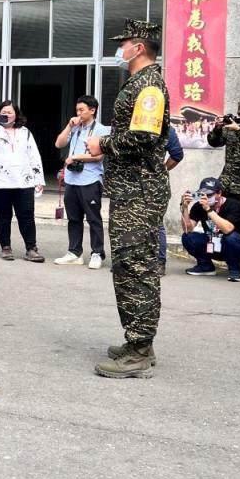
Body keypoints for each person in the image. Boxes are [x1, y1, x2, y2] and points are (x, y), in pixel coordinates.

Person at [85, 19, 169, 379]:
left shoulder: (148, 86)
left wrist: (102, 144)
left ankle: (139, 348)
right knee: (129, 265)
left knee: (135, 266)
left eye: (124, 45)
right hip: (132, 189)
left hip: (141, 192)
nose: (119, 51)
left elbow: (143, 138)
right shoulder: (139, 84)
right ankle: (139, 341)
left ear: (138, 47)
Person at [0, 100, 45, 262]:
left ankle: (31, 248)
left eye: (10, 112)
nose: (6, 114)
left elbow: (34, 156)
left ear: (16, 115)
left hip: (23, 181)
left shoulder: (25, 132)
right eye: (3, 112)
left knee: (27, 215)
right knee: (3, 216)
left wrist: (39, 179)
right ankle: (6, 247)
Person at [54, 95, 111, 269]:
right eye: (77, 110)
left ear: (92, 110)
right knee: (73, 218)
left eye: (82, 110)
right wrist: (69, 126)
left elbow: (99, 156)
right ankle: (74, 252)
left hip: (90, 180)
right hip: (72, 180)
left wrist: (75, 157)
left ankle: (97, 253)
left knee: (93, 218)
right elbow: (59, 143)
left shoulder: (101, 130)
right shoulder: (75, 128)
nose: (78, 113)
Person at [180, 177, 240, 281]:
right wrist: (185, 208)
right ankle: (205, 266)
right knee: (188, 237)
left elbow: (228, 229)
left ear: (219, 193)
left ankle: (235, 270)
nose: (206, 198)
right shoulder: (198, 206)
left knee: (231, 237)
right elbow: (188, 229)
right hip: (213, 245)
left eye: (209, 195)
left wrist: (208, 210)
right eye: (203, 194)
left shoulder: (233, 205)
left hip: (235, 248)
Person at [158, 125, 185, 274]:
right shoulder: (131, 123)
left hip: (155, 186)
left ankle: (159, 262)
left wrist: (161, 170)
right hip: (131, 184)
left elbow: (177, 154)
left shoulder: (165, 128)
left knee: (156, 223)